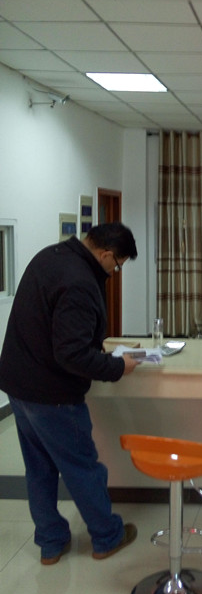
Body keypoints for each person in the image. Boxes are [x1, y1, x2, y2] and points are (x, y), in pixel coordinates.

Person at [0, 223, 141, 565]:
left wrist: (94, 345)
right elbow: (71, 354)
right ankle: (107, 536)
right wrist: (117, 366)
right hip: (53, 395)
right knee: (82, 468)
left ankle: (51, 543)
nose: (115, 271)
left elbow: (52, 326)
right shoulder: (80, 281)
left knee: (39, 469)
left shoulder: (50, 256)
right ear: (106, 254)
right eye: (117, 265)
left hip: (19, 386)